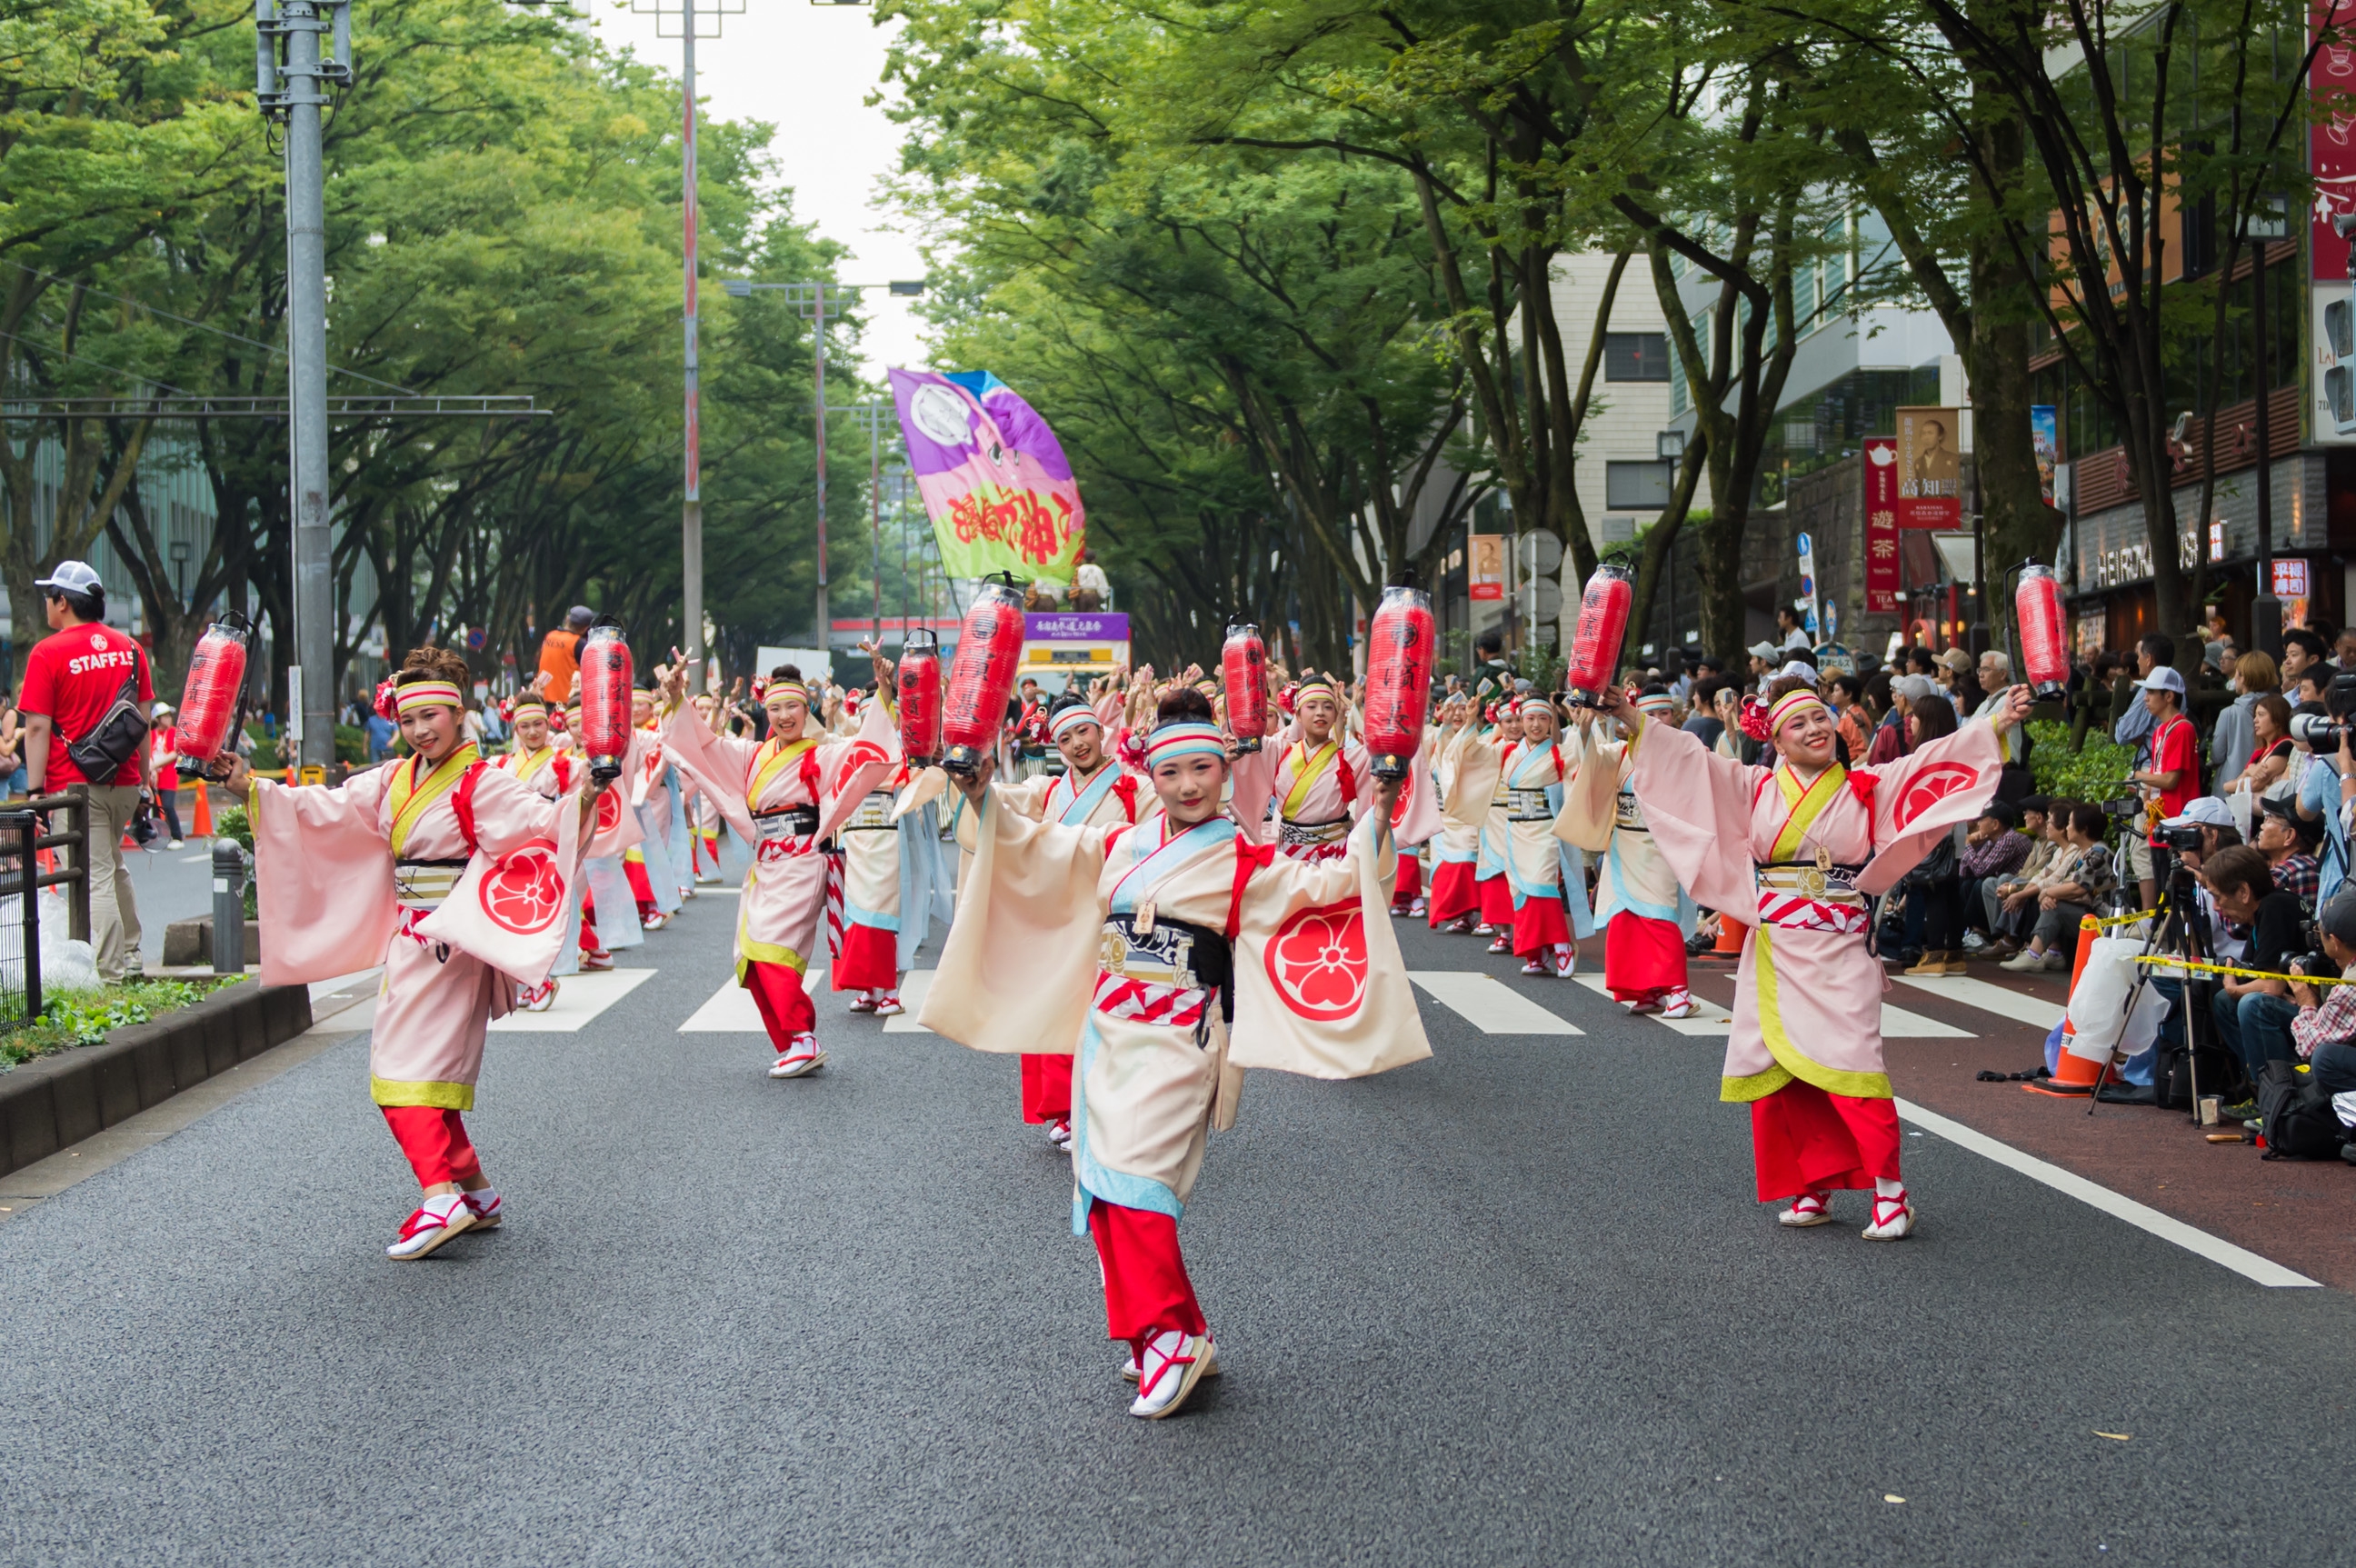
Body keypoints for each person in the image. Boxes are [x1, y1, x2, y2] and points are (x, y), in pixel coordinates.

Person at [925, 686, 1428, 1419]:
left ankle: (1169, 1341)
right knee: (1107, 1192)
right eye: (1171, 773)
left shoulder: (1244, 859)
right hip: (1109, 1033)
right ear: (1152, 777)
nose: (1188, 785)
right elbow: (1037, 850)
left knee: (1137, 1187)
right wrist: (980, 795)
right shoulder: (1126, 842)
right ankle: (1180, 1330)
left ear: (1224, 772)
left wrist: (1379, 811)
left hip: (1181, 1035)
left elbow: (1330, 885)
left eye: (1202, 768)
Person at [1607, 673, 2029, 1241]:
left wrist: (1995, 723)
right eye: (1797, 725)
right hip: (1776, 948)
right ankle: (1811, 1185)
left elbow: (1930, 762)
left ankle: (1890, 1194)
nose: (1815, 730)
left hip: (1839, 947)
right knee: (1780, 1074)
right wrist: (1635, 723)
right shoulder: (1753, 785)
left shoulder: (1869, 784)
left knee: (1855, 1066)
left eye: (1820, 719)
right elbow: (1689, 762)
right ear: (1776, 742)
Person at [232, 646, 603, 1259]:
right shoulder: (392, 779)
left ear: (459, 714)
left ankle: (440, 1196)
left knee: (400, 1071)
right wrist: (254, 786)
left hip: (452, 937)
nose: (420, 729)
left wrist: (584, 795)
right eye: (409, 719)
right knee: (426, 1070)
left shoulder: (482, 782)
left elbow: (543, 824)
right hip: (412, 933)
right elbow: (326, 808)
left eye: (432, 715)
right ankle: (473, 1189)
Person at [655, 659, 894, 1079]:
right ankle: (790, 1042)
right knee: (750, 955)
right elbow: (705, 746)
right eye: (776, 708)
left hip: (802, 863)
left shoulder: (823, 754)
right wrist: (676, 697)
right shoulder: (751, 755)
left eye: (793, 708)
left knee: (771, 952)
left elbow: (868, 750)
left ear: (807, 711)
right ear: (767, 713)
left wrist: (887, 693)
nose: (785, 716)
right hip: (767, 864)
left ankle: (803, 1037)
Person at [970, 687, 1143, 1148]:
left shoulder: (1134, 786)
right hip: (1058, 912)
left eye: (1084, 731)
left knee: (1108, 1010)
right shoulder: (1046, 788)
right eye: (1065, 739)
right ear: (1056, 746)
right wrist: (974, 776)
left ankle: (1107, 1104)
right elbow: (999, 800)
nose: (1077, 744)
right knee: (1055, 1006)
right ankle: (1067, 1110)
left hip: (1110, 912)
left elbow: (1153, 839)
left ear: (1101, 730)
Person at [18, 561, 153, 984]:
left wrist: (35, 790)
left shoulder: (48, 652)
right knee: (113, 865)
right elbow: (143, 720)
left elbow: (37, 726)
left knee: (93, 876)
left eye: (49, 596)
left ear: (63, 602)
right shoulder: (130, 649)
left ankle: (110, 973)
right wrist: (145, 780)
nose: (46, 603)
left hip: (76, 785)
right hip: (126, 780)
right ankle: (131, 952)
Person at [1562, 692, 1696, 1015]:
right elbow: (1590, 767)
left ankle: (1679, 991)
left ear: (1675, 717)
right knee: (1626, 920)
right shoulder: (1620, 752)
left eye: (1665, 713)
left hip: (1661, 847)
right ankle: (1646, 988)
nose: (1658, 720)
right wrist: (1583, 729)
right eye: (1651, 713)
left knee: (1660, 916)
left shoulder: (1683, 750)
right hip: (1624, 845)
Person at [1232, 673, 1372, 863]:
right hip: (1289, 856)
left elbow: (1382, 755)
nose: (1320, 712)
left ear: (1336, 713)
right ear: (1297, 714)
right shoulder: (1280, 751)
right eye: (1312, 707)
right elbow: (1245, 740)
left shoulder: (1351, 758)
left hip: (1334, 857)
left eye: (1328, 707)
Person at [2202, 844, 2307, 1096]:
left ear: (2244, 891)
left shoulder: (2274, 906)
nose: (2216, 907)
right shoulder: (2263, 912)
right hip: (2297, 1006)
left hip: (2314, 1011)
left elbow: (2272, 987)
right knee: (2223, 1001)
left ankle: (2279, 1095)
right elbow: (2252, 972)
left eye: (2218, 897)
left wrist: (2233, 987)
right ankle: (2257, 1085)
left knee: (2253, 1005)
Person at [1996, 804, 2116, 971]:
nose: (2067, 827)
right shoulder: (2084, 852)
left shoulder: (2099, 853)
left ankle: (2034, 955)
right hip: (2088, 911)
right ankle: (2052, 952)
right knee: (2051, 902)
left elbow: (2077, 888)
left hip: (2104, 919)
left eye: (2071, 823)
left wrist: (2046, 892)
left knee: (2055, 906)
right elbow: (2063, 882)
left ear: (2083, 829)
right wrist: (2049, 895)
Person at [2124, 665, 2198, 908]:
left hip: (2177, 821)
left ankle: (2180, 944)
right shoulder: (2159, 731)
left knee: (2176, 893)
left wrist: (2138, 776)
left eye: (2151, 693)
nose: (2145, 698)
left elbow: (2169, 780)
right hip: (2159, 819)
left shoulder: (2183, 728)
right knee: (2162, 888)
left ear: (2169, 696)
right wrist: (2145, 797)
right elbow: (2157, 775)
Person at [2286, 893, 2356, 1094]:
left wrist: (2306, 1001)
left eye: (2319, 931)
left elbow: (2308, 1047)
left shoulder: (2350, 988)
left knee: (2324, 1057)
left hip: (2317, 1037)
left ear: (2334, 942)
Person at [1955, 800, 2029, 951]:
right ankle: (1967, 933)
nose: (1978, 824)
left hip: (2015, 886)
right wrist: (1970, 845)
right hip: (1999, 887)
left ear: (1995, 824)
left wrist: (1967, 845)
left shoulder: (2008, 838)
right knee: (1966, 883)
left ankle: (1985, 934)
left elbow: (1981, 870)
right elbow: (1965, 872)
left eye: (1982, 820)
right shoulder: (1992, 840)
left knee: (1981, 883)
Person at [2211, 651, 2277, 791]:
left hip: (2231, 786)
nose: (2234, 677)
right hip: (2267, 785)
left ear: (2243, 677)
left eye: (2237, 672)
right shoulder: (2279, 709)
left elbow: (2217, 755)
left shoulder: (2229, 713)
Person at [2254, 796, 2321, 909]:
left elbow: (2237, 920)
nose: (2262, 826)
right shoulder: (2312, 864)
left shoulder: (2286, 872)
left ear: (2289, 836)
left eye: (2269, 819)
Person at [146, 702, 187, 848]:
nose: (169, 718)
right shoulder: (150, 734)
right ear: (157, 719)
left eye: (170, 715)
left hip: (168, 775)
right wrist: (151, 769)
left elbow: (174, 753)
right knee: (155, 807)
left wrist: (153, 766)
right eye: (166, 716)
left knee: (168, 806)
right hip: (152, 776)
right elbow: (147, 752)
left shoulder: (173, 732)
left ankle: (177, 837)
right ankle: (160, 836)